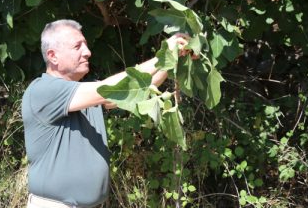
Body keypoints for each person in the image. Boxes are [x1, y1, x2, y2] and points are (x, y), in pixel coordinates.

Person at [22, 19, 191, 208]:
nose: (87, 52)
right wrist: (163, 54)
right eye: (77, 46)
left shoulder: (84, 95)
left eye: (86, 45)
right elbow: (109, 88)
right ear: (53, 56)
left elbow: (142, 88)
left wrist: (173, 58)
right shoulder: (43, 90)